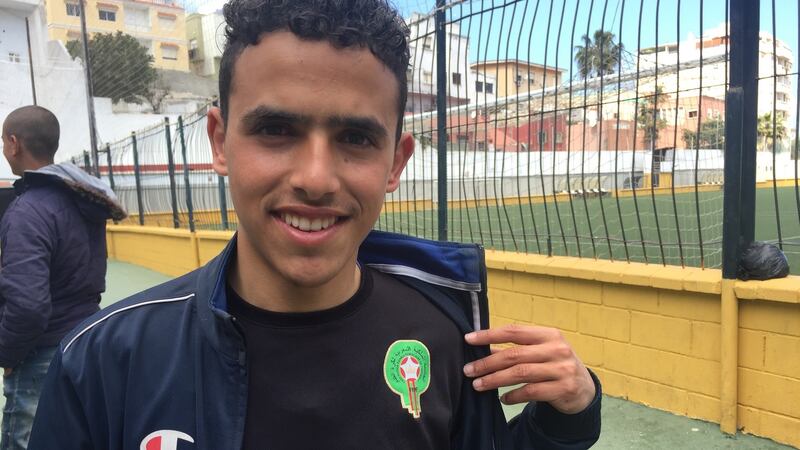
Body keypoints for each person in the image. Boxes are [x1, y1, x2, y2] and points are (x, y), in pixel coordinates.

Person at [29, 1, 601, 448]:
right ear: (219, 141)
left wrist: (570, 417)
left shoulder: (447, 339)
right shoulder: (103, 361)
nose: (316, 178)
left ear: (396, 162)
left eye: (355, 138)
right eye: (276, 130)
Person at [0, 106, 125, 449]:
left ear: (14, 143)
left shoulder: (28, 210)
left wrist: (8, 355)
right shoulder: (81, 199)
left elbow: (28, 306)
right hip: (85, 338)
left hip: (41, 351)